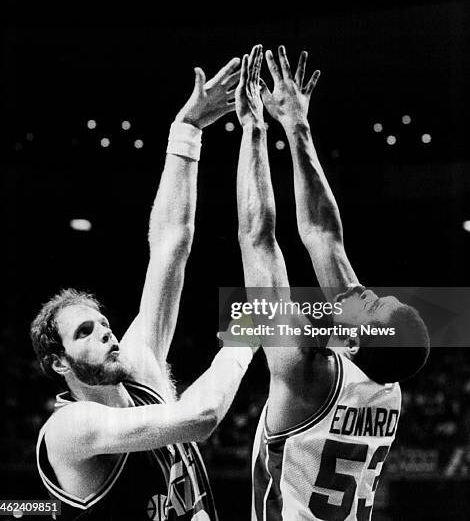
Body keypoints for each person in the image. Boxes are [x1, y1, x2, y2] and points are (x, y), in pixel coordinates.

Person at [30, 56, 256, 521]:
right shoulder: (71, 428)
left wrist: (188, 129)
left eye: (104, 325)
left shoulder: (138, 368)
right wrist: (241, 341)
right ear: (57, 362)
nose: (107, 334)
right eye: (84, 332)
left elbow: (170, 246)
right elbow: (200, 418)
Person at [234, 45, 430, 520]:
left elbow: (257, 239)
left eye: (375, 306)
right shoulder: (388, 385)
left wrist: (255, 131)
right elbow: (325, 237)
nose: (370, 296)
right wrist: (297, 126)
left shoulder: (304, 369)